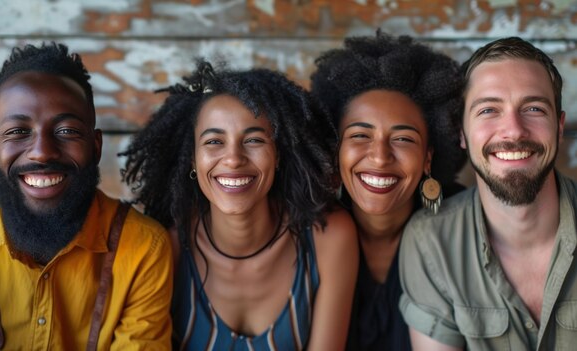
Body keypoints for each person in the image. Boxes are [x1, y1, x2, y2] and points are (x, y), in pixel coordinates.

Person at [121, 59, 358, 350]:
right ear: (193, 159)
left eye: (254, 140)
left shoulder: (327, 236)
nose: (233, 159)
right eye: (214, 142)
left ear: (278, 155)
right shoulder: (166, 247)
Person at [0, 42, 173, 350]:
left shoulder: (144, 247)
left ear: (96, 147)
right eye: (18, 131)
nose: (42, 153)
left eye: (67, 131)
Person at [398, 36, 577, 350]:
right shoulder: (431, 242)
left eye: (534, 108)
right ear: (462, 133)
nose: (514, 130)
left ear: (559, 128)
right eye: (489, 110)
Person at [310, 33, 466, 350]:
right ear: (335, 150)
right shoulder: (309, 231)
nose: (380, 157)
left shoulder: (464, 229)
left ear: (428, 157)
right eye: (360, 136)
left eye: (403, 139)